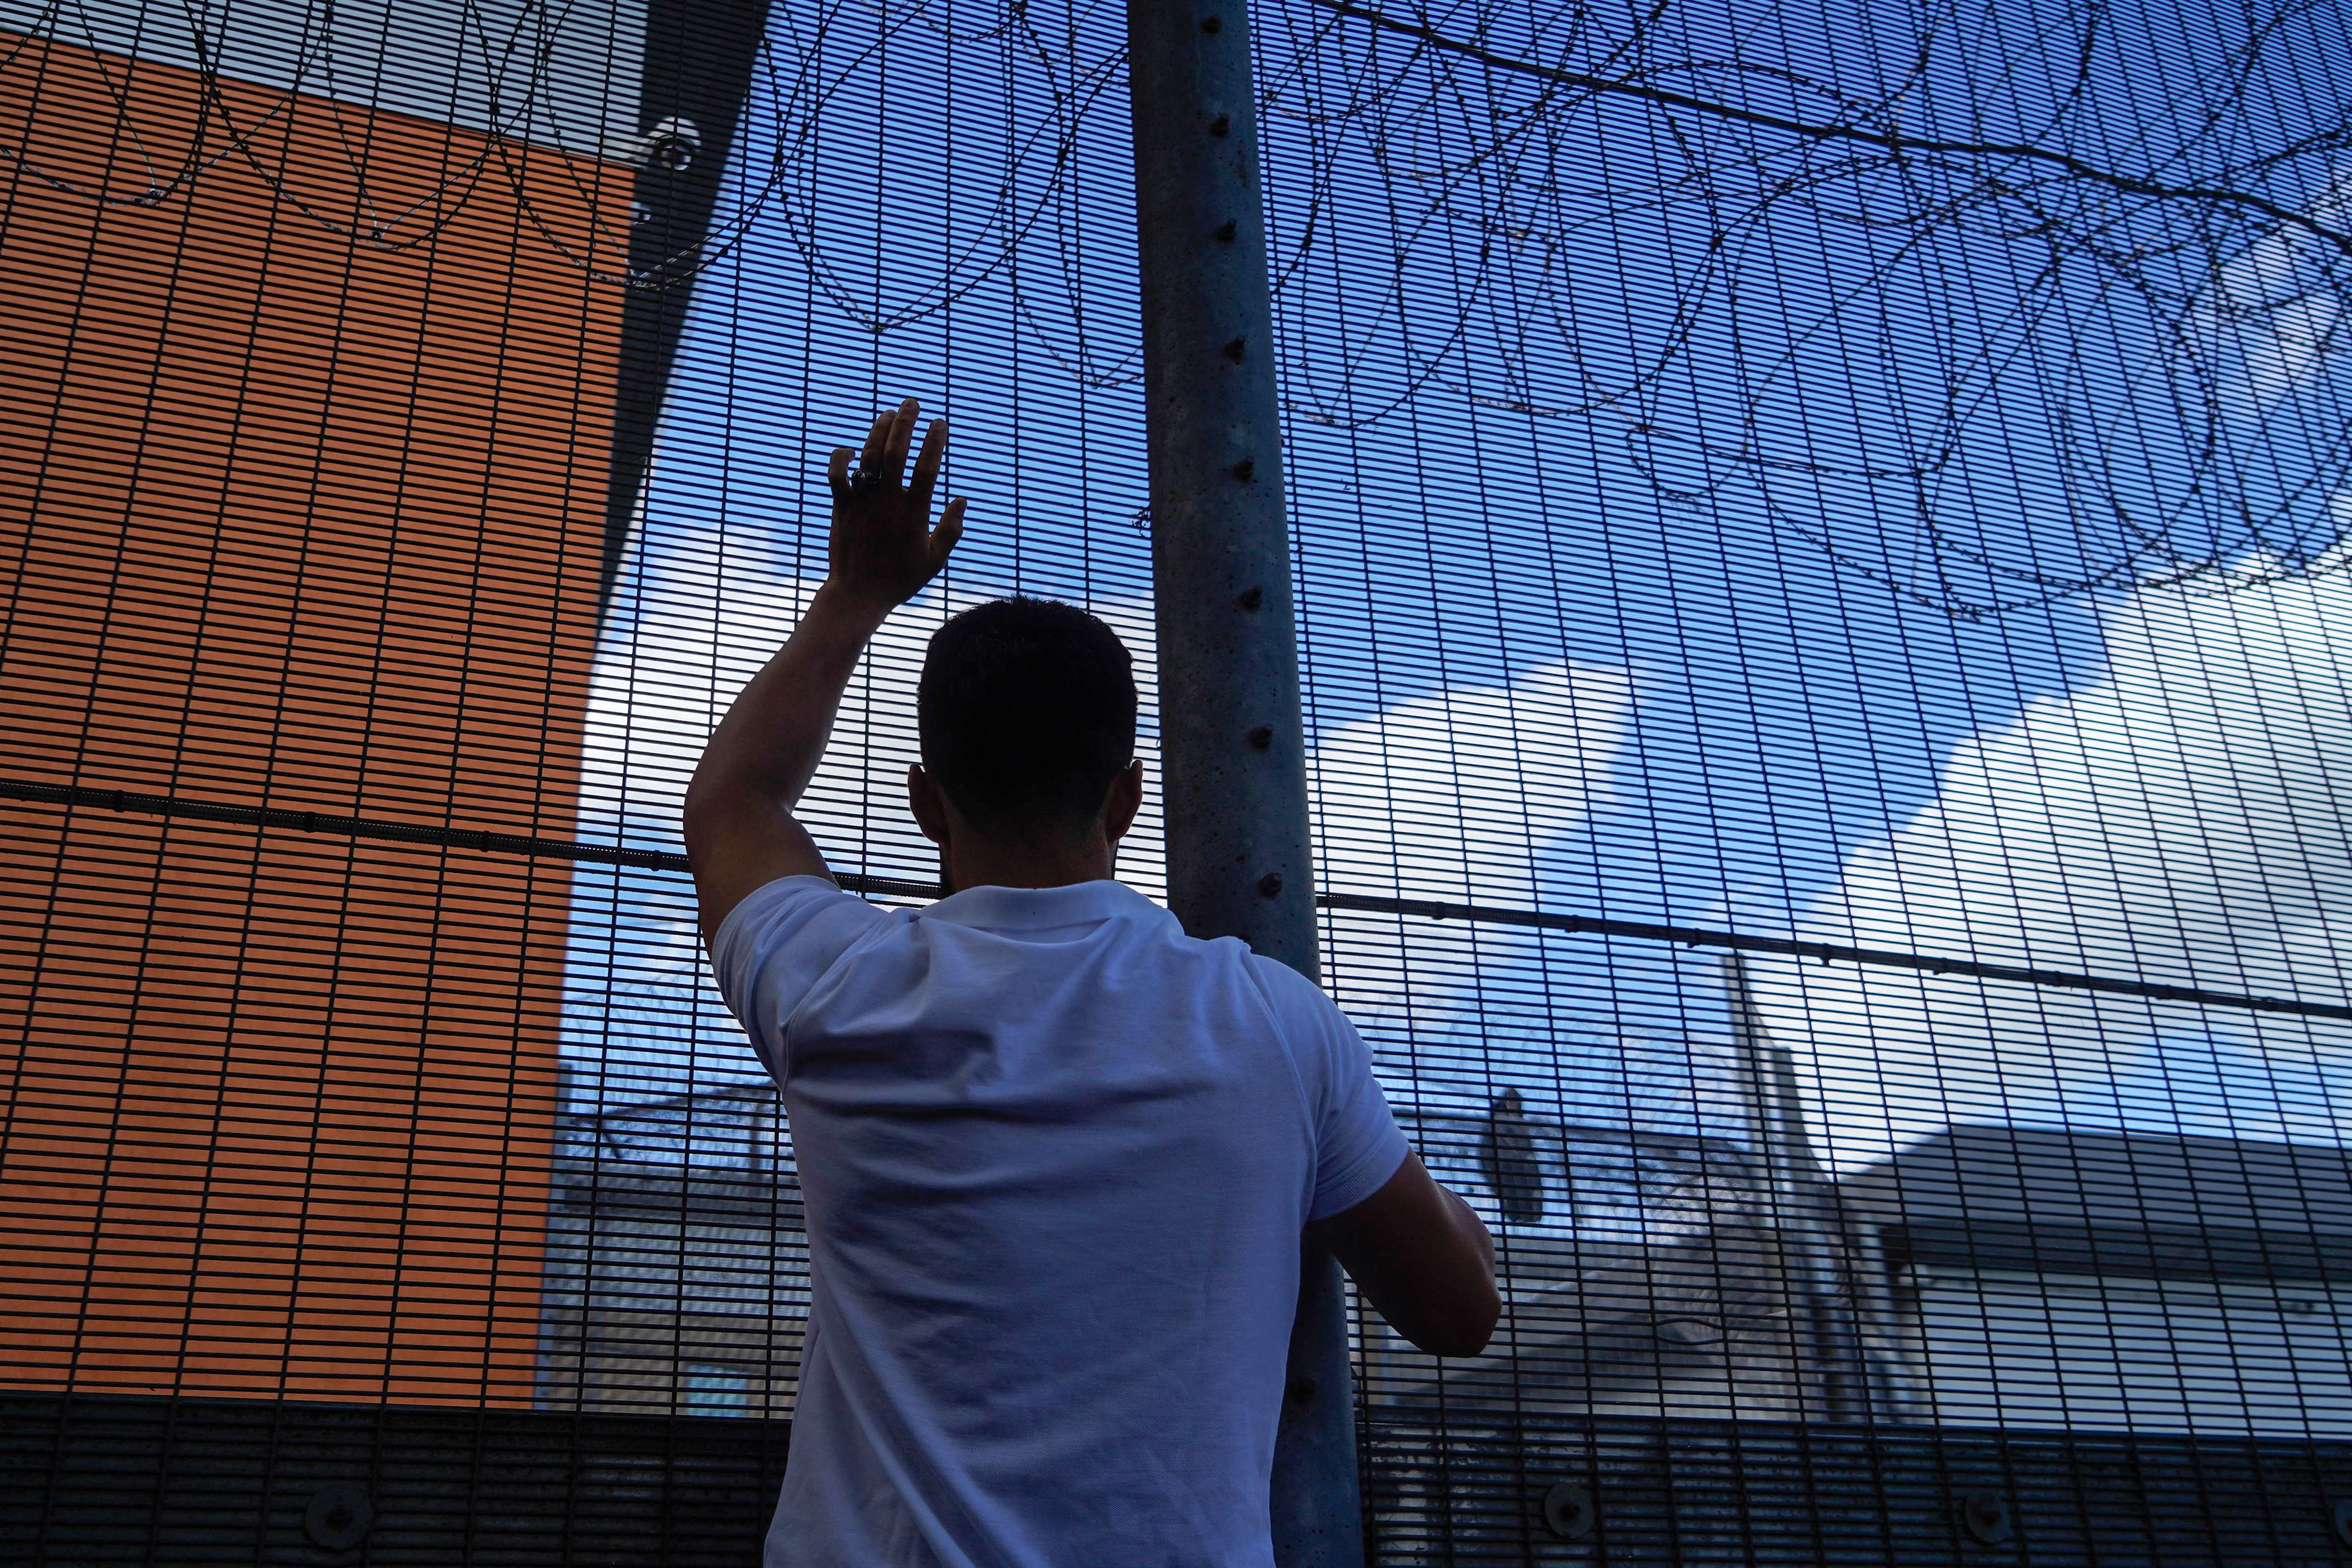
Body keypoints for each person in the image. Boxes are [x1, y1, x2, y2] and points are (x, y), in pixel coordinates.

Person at [685, 398, 1498, 1568]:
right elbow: (1458, 1309)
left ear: (926, 803)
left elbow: (733, 801)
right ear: (1124, 800)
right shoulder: (1274, 1026)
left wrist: (855, 593)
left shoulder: (840, 991)